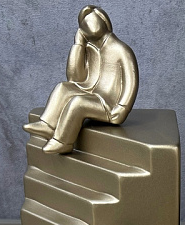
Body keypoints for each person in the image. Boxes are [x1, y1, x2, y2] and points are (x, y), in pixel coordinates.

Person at [23, 5, 139, 154]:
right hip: (90, 91)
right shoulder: (90, 49)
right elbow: (74, 78)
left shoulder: (121, 49)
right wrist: (78, 45)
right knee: (63, 88)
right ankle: (48, 125)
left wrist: (122, 108)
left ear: (104, 23)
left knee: (78, 103)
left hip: (108, 104)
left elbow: (131, 81)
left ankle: (63, 142)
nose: (89, 26)